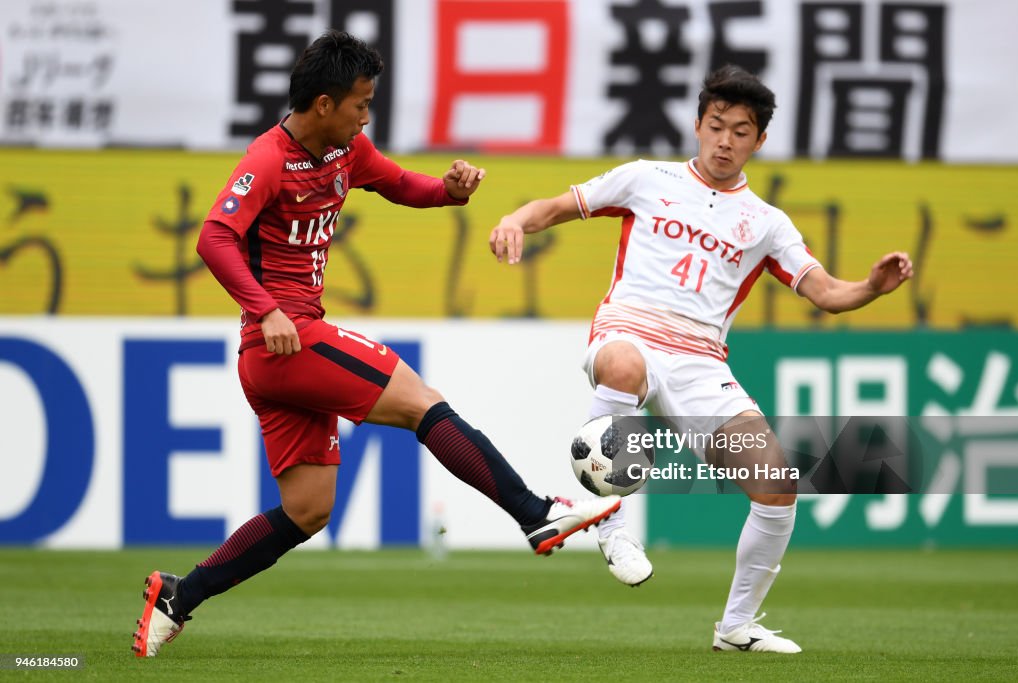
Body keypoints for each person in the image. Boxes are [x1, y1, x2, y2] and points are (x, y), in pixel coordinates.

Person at [131, 30, 621, 658]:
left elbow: (400, 184)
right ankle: (534, 512)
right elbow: (213, 239)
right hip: (286, 337)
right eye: (361, 103)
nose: (367, 115)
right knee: (422, 402)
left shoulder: (345, 150)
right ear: (325, 103)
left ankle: (179, 596)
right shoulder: (266, 159)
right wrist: (267, 309)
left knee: (308, 509)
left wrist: (449, 190)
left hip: (281, 354)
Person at [489, 64, 913, 653]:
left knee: (777, 484)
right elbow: (556, 207)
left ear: (759, 141)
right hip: (629, 328)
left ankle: (736, 627)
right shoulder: (645, 178)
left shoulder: (767, 223)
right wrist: (514, 220)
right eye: (716, 125)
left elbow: (827, 293)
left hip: (700, 362)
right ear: (696, 125)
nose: (725, 140)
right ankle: (611, 527)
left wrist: (870, 287)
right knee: (621, 367)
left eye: (741, 131)